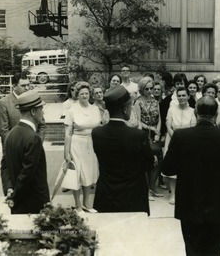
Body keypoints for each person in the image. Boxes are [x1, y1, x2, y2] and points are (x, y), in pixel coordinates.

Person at [161, 96, 220, 255]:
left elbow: (167, 169)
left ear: (196, 114)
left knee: (192, 249)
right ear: (216, 115)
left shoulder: (181, 136)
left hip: (189, 203)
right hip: (218, 203)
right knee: (214, 250)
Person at [92, 86, 154, 214]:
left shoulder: (97, 133)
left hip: (107, 195)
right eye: (131, 106)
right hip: (133, 197)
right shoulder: (138, 135)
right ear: (125, 108)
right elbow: (149, 164)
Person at [0, 72, 46, 197]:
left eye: (28, 85)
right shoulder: (4, 103)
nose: (27, 88)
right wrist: (18, 144)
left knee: (33, 181)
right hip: (14, 150)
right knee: (19, 180)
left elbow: (42, 125)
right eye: (23, 85)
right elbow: (3, 130)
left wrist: (36, 143)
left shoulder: (34, 101)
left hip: (33, 147)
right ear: (14, 86)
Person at [4, 91, 50, 214]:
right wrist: (14, 197)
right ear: (33, 111)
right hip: (33, 204)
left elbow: (5, 165)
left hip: (17, 204)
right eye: (41, 108)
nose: (43, 112)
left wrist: (9, 189)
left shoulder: (10, 134)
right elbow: (27, 174)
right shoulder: (33, 138)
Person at [64, 81, 101, 213]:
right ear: (76, 95)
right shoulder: (72, 111)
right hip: (76, 144)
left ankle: (87, 203)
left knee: (89, 174)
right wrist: (66, 153)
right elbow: (68, 133)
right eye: (81, 94)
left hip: (91, 145)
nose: (84, 96)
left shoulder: (95, 109)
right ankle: (78, 205)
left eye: (86, 93)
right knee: (77, 175)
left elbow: (99, 128)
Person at [163, 87, 197, 204]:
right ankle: (173, 194)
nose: (181, 98)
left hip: (188, 141)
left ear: (188, 97)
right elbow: (168, 126)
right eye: (179, 95)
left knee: (187, 168)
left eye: (184, 95)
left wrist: (184, 140)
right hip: (173, 139)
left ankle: (186, 193)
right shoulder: (172, 109)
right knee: (173, 167)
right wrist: (176, 138)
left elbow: (193, 127)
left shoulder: (193, 111)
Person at [135, 77, 163, 200]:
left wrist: (158, 132)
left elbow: (160, 118)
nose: (150, 91)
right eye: (147, 89)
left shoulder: (155, 101)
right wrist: (152, 129)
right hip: (144, 134)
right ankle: (145, 189)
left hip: (155, 134)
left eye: (151, 88)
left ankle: (153, 187)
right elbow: (138, 121)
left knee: (159, 161)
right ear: (142, 89)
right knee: (147, 161)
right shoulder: (138, 102)